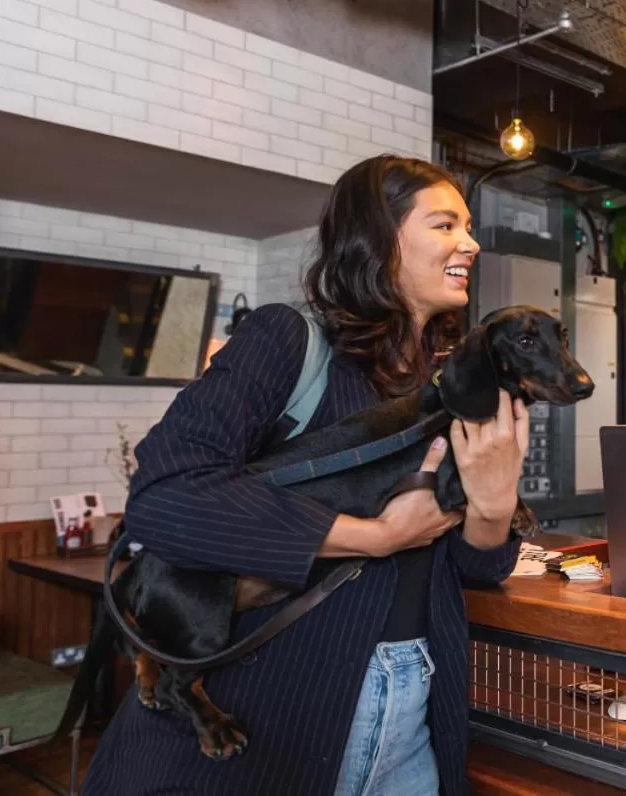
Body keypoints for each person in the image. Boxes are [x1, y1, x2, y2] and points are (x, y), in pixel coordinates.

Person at [84, 156, 528, 795]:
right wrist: (376, 536)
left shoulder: (447, 384)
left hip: (412, 720)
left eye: (468, 227)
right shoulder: (287, 340)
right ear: (377, 238)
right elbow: (166, 495)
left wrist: (494, 502)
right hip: (266, 721)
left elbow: (476, 569)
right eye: (445, 225)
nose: (471, 243)